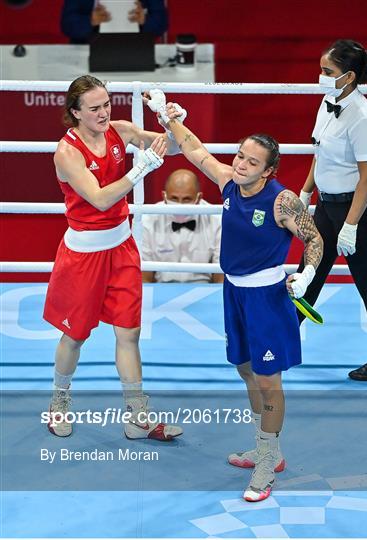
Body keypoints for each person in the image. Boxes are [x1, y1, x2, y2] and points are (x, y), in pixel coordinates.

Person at [145, 89, 323, 502]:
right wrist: (166, 115)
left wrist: (307, 273)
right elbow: (194, 150)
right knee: (245, 369)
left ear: (268, 170)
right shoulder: (228, 182)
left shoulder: (282, 201)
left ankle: (266, 459)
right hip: (234, 295)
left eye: (251, 161)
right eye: (240, 155)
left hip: (267, 300)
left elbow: (314, 239)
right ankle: (268, 448)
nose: (240, 164)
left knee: (267, 381)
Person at [43, 75, 182, 442]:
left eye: (106, 104)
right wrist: (141, 168)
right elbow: (101, 198)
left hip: (121, 247)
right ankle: (58, 402)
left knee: (129, 333)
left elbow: (171, 147)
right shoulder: (67, 152)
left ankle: (138, 417)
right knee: (74, 336)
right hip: (84, 255)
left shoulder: (119, 130)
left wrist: (170, 120)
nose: (104, 113)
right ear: (75, 113)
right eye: (94, 108)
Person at [298, 39, 367, 381]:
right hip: (327, 205)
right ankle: (279, 337)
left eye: (328, 71)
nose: (321, 76)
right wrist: (305, 191)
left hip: (356, 208)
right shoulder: (328, 101)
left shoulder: (365, 117)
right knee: (308, 272)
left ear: (349, 76)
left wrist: (351, 225)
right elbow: (320, 153)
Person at [142, 168, 223, 284]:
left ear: (198, 198)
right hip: (161, 289)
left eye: (186, 199)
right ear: (164, 196)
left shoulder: (216, 220)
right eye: (174, 198)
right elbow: (143, 275)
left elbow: (221, 275)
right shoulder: (148, 219)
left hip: (204, 290)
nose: (180, 205)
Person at [61, 0, 168, 44]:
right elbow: (67, 24)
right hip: (86, 46)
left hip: (136, 48)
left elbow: (161, 23)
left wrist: (145, 20)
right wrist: (90, 21)